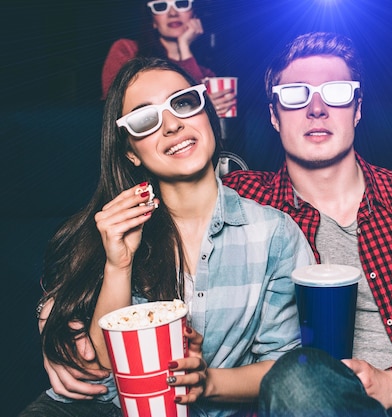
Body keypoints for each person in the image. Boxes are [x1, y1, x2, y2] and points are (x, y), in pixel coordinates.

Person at [222, 31, 392, 417]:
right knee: (298, 383)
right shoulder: (241, 201)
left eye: (336, 92)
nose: (316, 108)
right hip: (307, 403)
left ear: (357, 109)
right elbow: (171, 183)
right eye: (294, 95)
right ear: (273, 115)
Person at [19, 56, 314, 417]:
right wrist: (118, 263)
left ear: (207, 114)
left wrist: (208, 381)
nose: (172, 125)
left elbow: (288, 367)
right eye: (146, 119)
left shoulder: (274, 234)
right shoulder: (114, 227)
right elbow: (102, 367)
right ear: (130, 151)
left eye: (184, 102)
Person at [101, 0, 236, 117]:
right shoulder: (127, 50)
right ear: (153, 20)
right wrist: (198, 103)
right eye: (160, 6)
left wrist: (184, 48)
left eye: (181, 3)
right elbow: (116, 104)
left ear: (194, 14)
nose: (172, 13)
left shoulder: (205, 74)